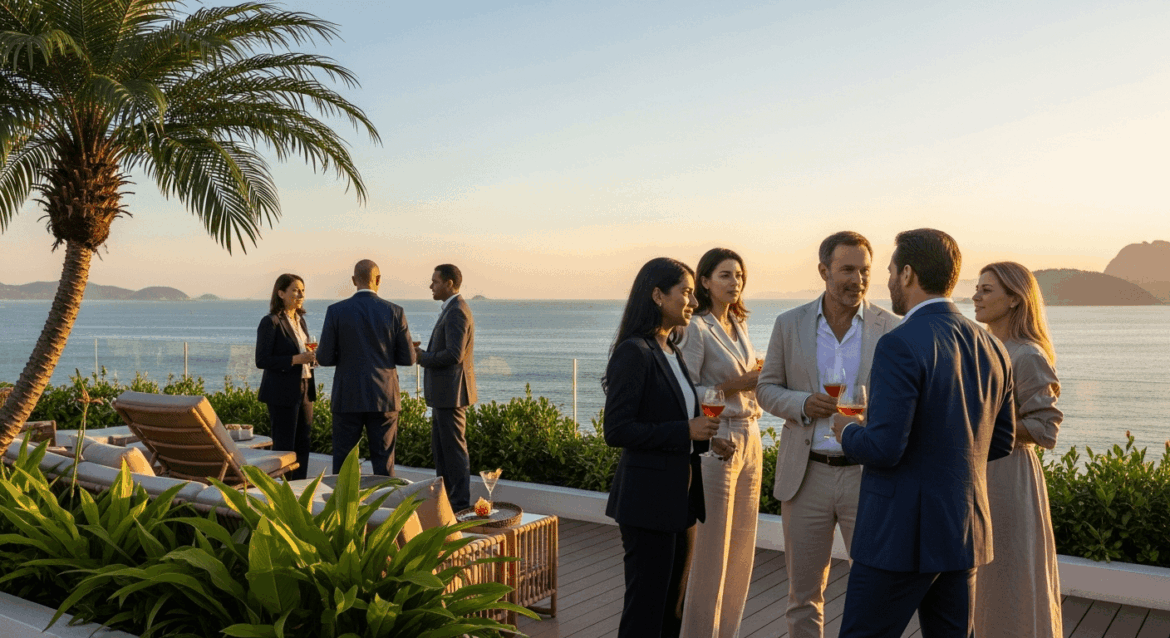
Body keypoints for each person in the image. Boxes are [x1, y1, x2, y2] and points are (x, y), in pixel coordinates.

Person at [830, 228, 1016, 638]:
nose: (889, 280)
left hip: (899, 535)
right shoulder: (992, 346)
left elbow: (882, 448)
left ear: (909, 274)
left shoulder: (900, 344)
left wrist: (845, 430)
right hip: (962, 530)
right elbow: (1001, 440)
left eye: (892, 271)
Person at [755, 231, 900, 638]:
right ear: (823, 270)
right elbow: (766, 388)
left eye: (865, 271)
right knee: (803, 595)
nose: (858, 279)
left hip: (867, 476)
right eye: (847, 270)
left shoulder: (892, 327)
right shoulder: (789, 323)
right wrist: (802, 403)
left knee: (873, 590)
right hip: (806, 476)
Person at [603, 257, 720, 638]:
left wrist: (703, 437)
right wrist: (686, 429)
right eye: (685, 292)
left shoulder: (672, 350)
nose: (693, 301)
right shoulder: (634, 352)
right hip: (646, 501)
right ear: (656, 295)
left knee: (672, 608)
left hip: (681, 498)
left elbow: (674, 420)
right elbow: (617, 429)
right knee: (645, 610)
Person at [972, 262, 1063, 638]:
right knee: (981, 581)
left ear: (1014, 299)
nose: (975, 296)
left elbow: (1045, 428)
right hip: (979, 472)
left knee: (1010, 576)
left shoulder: (1027, 355)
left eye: (987, 290)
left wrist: (983, 426)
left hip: (1009, 478)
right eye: (977, 288)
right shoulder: (982, 347)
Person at [677, 248, 763, 638]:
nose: (735, 283)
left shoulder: (739, 326)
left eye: (740, 276)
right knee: (712, 549)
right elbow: (686, 390)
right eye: (726, 275)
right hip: (718, 438)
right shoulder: (696, 327)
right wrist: (735, 385)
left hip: (751, 436)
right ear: (706, 281)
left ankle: (727, 631)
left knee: (743, 547)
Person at [316, 259, 415, 475]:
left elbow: (323, 357)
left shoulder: (336, 311)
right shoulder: (395, 311)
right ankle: (386, 507)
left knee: (344, 464)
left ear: (353, 280)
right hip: (384, 396)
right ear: (378, 279)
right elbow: (408, 359)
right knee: (384, 462)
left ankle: (343, 507)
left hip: (347, 395)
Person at [414, 264, 477, 512]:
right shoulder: (452, 309)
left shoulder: (456, 311)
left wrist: (421, 356)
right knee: (442, 452)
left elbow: (454, 354)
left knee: (454, 452)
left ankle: (460, 505)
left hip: (452, 394)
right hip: (445, 395)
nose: (431, 286)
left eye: (435, 282)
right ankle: (446, 504)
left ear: (449, 283)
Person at [255, 273, 317, 480]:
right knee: (284, 446)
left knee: (303, 443)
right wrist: (295, 359)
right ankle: (283, 493)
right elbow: (262, 360)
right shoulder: (271, 322)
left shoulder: (301, 322)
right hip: (282, 392)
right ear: (281, 293)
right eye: (295, 290)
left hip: (306, 388)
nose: (300, 294)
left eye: (302, 290)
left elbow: (303, 354)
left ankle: (300, 489)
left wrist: (311, 360)